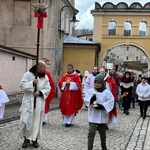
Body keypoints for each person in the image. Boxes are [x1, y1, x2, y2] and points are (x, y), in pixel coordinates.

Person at [19, 60, 51, 148]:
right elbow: (22, 85)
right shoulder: (28, 74)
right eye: (43, 67)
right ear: (38, 67)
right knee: (26, 120)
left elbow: (48, 88)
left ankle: (35, 139)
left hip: (39, 101)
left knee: (36, 121)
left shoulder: (45, 77)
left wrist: (40, 92)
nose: (45, 69)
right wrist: (32, 83)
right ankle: (26, 138)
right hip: (28, 100)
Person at [84, 74, 114, 150]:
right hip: (93, 115)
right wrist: (91, 100)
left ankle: (104, 146)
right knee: (91, 132)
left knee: (102, 133)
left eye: (98, 83)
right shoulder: (91, 91)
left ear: (102, 83)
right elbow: (86, 99)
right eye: (95, 82)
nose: (96, 84)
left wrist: (102, 106)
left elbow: (111, 102)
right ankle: (89, 147)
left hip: (102, 115)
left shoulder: (107, 92)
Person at [42, 58, 56, 125]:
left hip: (45, 92)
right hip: (38, 92)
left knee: (45, 105)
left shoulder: (47, 73)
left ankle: (43, 119)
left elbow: (50, 83)